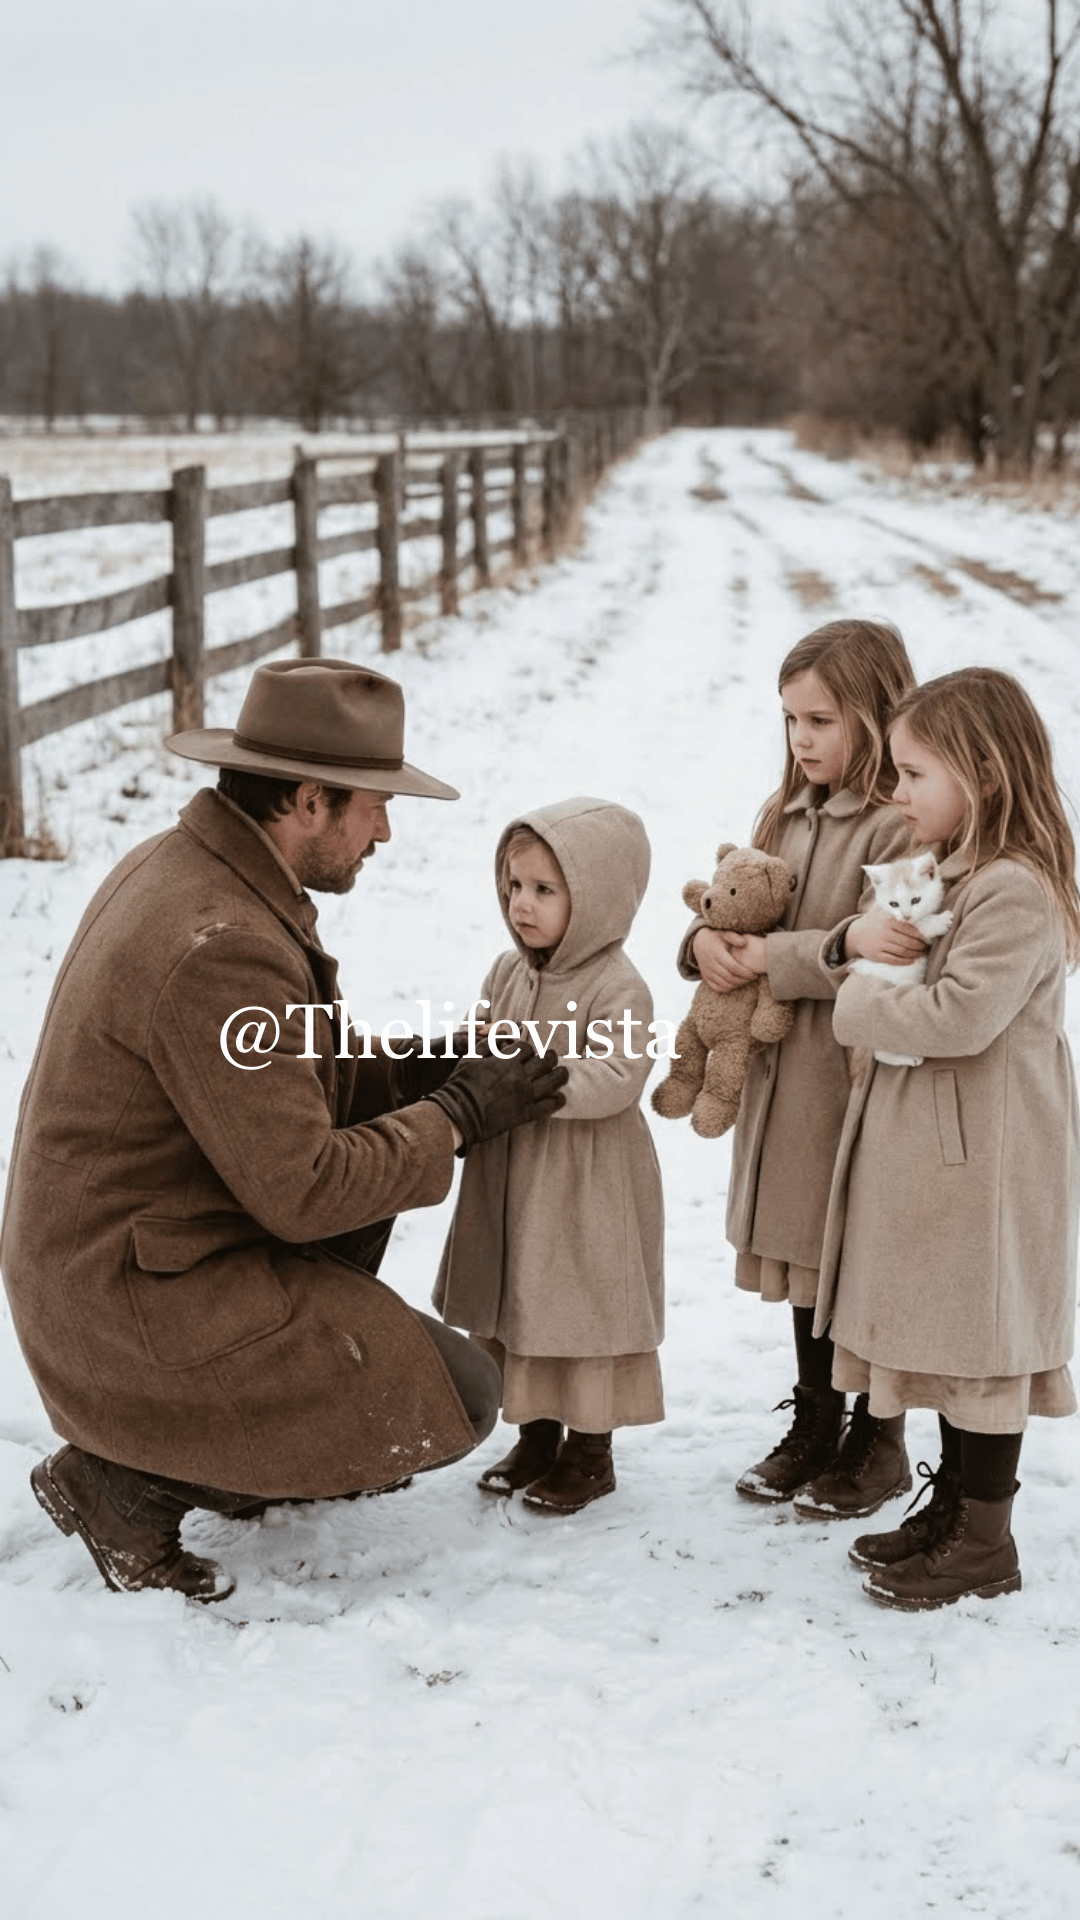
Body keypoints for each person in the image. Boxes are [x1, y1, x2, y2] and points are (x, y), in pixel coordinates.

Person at [0, 659, 566, 1603]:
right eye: (374, 807)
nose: (385, 831)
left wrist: (423, 1068)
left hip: (128, 1253)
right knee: (460, 1393)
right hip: (125, 1297)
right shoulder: (221, 942)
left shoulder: (197, 871)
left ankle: (223, 1449)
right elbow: (304, 1188)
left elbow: (273, 1073)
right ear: (308, 801)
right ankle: (125, 1483)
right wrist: (462, 1113)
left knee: (383, 1153)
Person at [815, 667, 1079, 1609]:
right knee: (948, 1333)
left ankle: (984, 1540)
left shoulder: (1015, 890)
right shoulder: (951, 872)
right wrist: (864, 954)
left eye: (914, 773)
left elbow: (959, 1017)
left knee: (983, 1340)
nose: (896, 793)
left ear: (986, 773)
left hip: (990, 1158)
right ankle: (954, 1508)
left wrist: (856, 1001)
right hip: (941, 1149)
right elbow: (906, 970)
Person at [677, 619, 919, 1515]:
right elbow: (733, 903)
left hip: (849, 1080)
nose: (801, 739)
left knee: (859, 1255)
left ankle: (880, 1437)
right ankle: (817, 1420)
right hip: (782, 1078)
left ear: (875, 715)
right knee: (807, 1258)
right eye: (790, 719)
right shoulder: (782, 814)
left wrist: (772, 962)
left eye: (821, 720)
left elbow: (893, 953)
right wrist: (701, 942)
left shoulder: (900, 827)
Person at [434, 798, 664, 1513]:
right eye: (513, 886)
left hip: (584, 1182)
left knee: (580, 1308)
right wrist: (473, 1052)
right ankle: (535, 1434)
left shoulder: (618, 986)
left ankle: (590, 1451)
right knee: (522, 1302)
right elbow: (484, 1031)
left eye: (544, 889)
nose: (522, 905)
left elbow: (620, 1073)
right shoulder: (508, 971)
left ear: (595, 899)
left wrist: (536, 1083)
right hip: (515, 1175)